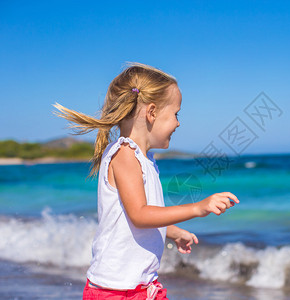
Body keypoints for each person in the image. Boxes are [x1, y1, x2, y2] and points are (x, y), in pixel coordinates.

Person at [54, 63, 239, 300]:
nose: (178, 123)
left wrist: (171, 232)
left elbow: (138, 217)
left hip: (141, 287)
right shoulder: (125, 154)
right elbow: (140, 215)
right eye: (176, 114)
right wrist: (197, 208)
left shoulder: (144, 159)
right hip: (115, 290)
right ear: (152, 112)